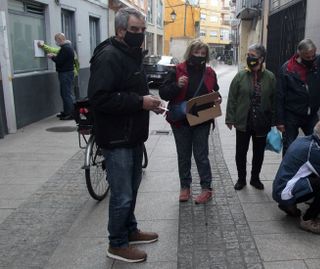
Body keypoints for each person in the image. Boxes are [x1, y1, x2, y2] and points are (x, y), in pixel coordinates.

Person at [88, 8, 163, 263]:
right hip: (116, 138)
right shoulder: (109, 57)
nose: (140, 34)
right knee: (121, 194)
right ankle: (117, 243)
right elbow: (99, 99)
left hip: (132, 135)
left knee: (131, 188)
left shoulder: (130, 54)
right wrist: (139, 102)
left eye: (143, 30)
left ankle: (129, 230)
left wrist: (149, 101)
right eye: (135, 30)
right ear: (120, 31)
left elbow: (132, 90)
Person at [159, 39, 220, 204]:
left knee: (201, 155)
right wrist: (177, 86)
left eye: (202, 53)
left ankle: (206, 188)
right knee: (183, 155)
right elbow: (164, 93)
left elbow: (216, 92)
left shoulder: (210, 73)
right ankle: (185, 187)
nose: (199, 56)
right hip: (181, 121)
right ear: (190, 53)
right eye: (196, 52)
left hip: (202, 120)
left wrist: (217, 100)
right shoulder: (178, 70)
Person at [226, 44, 276, 190]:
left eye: (252, 55)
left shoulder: (270, 77)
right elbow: (232, 98)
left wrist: (274, 121)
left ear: (261, 59)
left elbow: (274, 100)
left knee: (259, 153)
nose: (249, 58)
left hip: (261, 122)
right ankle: (241, 179)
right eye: (248, 55)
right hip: (243, 121)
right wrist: (230, 118)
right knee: (241, 152)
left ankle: (255, 178)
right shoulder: (240, 76)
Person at [38, 39, 81, 118]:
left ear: (60, 41)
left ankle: (70, 113)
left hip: (66, 73)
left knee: (66, 94)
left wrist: (52, 57)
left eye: (56, 40)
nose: (56, 43)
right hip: (70, 72)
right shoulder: (69, 48)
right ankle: (68, 111)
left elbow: (59, 60)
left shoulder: (65, 49)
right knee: (66, 93)